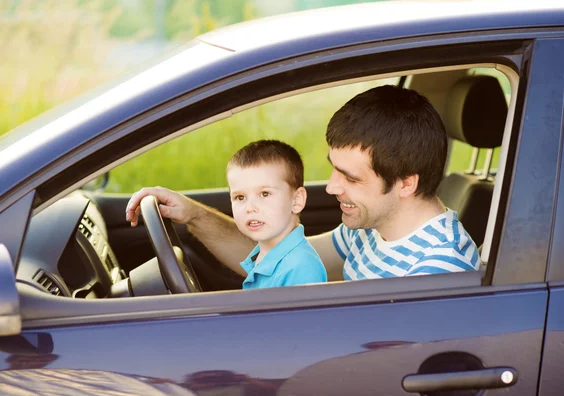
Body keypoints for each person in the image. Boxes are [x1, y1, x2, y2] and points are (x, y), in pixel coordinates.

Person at [126, 85, 479, 284]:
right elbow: (282, 260)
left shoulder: (438, 269)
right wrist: (192, 216)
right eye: (334, 170)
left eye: (351, 177)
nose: (332, 187)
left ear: (405, 184)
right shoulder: (372, 227)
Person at [224, 139, 327, 289]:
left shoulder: (300, 268)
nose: (250, 207)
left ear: (296, 201)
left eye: (265, 194)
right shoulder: (262, 256)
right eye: (240, 197)